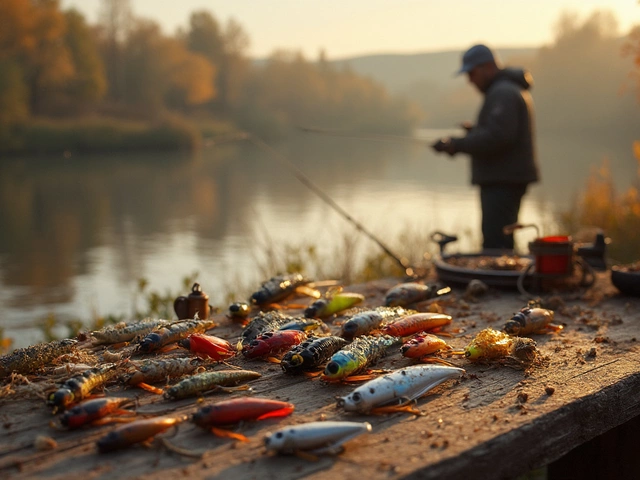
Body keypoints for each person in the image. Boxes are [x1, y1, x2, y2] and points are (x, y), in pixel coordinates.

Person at [432, 44, 539, 251]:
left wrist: (456, 144)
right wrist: (475, 131)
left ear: (488, 67)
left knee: (496, 244)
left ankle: (501, 283)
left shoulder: (504, 93)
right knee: (499, 240)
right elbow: (500, 133)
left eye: (472, 73)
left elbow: (498, 137)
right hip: (504, 179)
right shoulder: (504, 90)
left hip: (503, 181)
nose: (469, 80)